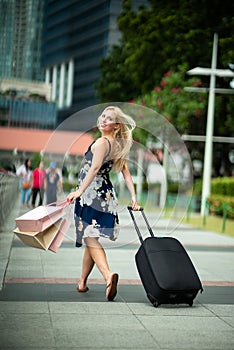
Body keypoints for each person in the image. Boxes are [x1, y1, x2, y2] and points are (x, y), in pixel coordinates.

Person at [67, 106, 140, 302]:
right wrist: (133, 197)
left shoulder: (100, 143)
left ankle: (108, 275)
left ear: (116, 126)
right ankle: (82, 282)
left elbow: (95, 168)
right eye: (103, 116)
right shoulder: (117, 145)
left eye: (109, 119)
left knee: (90, 237)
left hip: (91, 195)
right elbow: (126, 174)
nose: (103, 120)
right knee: (91, 238)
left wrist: (79, 191)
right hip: (106, 196)